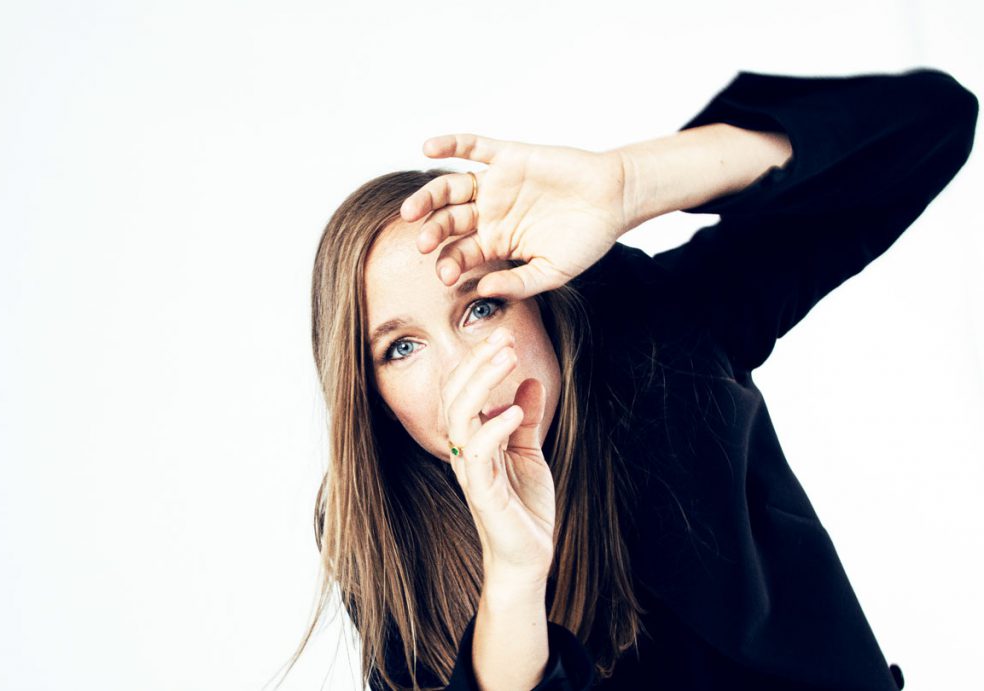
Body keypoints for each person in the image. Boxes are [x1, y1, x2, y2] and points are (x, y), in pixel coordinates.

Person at [289, 68, 977, 690]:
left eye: (482, 306)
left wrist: (627, 184)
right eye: (402, 348)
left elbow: (928, 124)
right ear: (371, 395)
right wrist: (513, 578)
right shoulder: (376, 521)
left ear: (536, 301)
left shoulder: (652, 330)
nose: (461, 369)